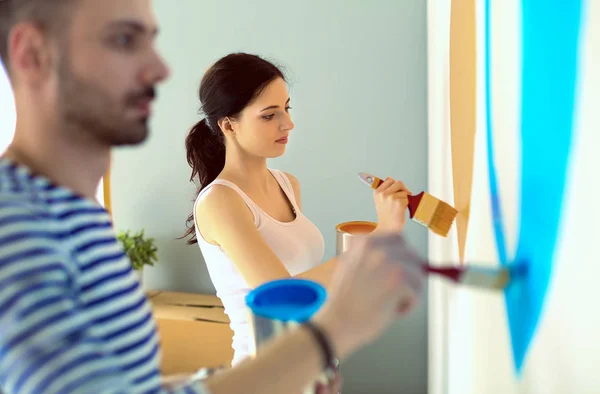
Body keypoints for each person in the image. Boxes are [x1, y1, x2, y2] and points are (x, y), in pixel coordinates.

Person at [0, 1, 423, 394]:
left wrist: (293, 365)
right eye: (124, 40)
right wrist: (325, 338)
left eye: (152, 40)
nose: (161, 68)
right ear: (32, 53)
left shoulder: (79, 219)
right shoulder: (15, 227)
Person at [182, 53, 413, 369]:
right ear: (228, 125)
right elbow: (282, 295)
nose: (287, 123)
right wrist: (380, 238)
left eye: (286, 108)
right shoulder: (220, 202)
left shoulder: (288, 185)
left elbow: (311, 286)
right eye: (269, 115)